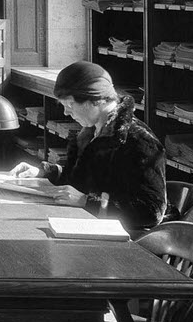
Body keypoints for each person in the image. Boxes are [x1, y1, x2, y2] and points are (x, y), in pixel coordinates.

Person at [13, 60, 166, 232]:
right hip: (84, 225)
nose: (66, 112)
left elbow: (151, 212)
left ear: (95, 100)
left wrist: (87, 201)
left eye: (70, 104)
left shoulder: (139, 140)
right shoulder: (90, 132)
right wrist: (45, 172)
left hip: (122, 239)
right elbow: (78, 183)